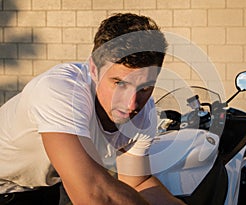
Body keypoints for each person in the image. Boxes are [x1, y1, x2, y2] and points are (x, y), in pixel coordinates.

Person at [0, 13, 186, 205]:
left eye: (145, 88)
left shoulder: (144, 113)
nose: (132, 104)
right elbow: (94, 195)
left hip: (44, 190)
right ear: (94, 69)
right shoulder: (60, 90)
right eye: (119, 83)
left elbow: (138, 183)